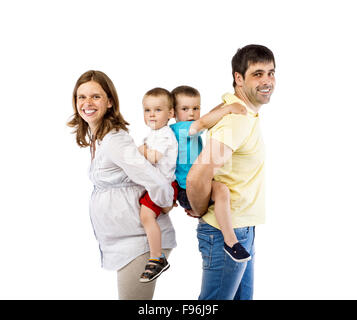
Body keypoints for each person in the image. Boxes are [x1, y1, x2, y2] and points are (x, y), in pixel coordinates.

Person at [67, 70, 176, 300]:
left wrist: (166, 202)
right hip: (124, 243)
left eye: (95, 96)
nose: (87, 103)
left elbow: (154, 179)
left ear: (109, 102)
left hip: (140, 243)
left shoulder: (115, 139)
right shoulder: (99, 138)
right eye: (81, 97)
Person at [186, 44, 276, 300]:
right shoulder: (237, 120)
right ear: (239, 78)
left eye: (271, 73)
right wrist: (202, 210)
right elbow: (196, 177)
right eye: (258, 74)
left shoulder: (238, 108)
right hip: (226, 232)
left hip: (242, 228)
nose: (267, 80)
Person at [170, 85, 250, 262]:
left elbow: (207, 119)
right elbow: (206, 121)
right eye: (185, 109)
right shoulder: (182, 129)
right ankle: (231, 242)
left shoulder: (186, 127)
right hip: (188, 190)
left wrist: (225, 105)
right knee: (221, 190)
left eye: (196, 108)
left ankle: (226, 234)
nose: (191, 113)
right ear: (173, 113)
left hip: (193, 190)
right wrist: (227, 108)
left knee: (223, 190)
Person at [137, 88, 178, 283]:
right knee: (145, 215)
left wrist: (140, 149)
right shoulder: (153, 133)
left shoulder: (164, 135)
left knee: (146, 217)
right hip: (158, 183)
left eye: (157, 110)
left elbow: (153, 157)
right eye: (147, 110)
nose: (151, 114)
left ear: (170, 114)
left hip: (163, 184)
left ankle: (156, 257)